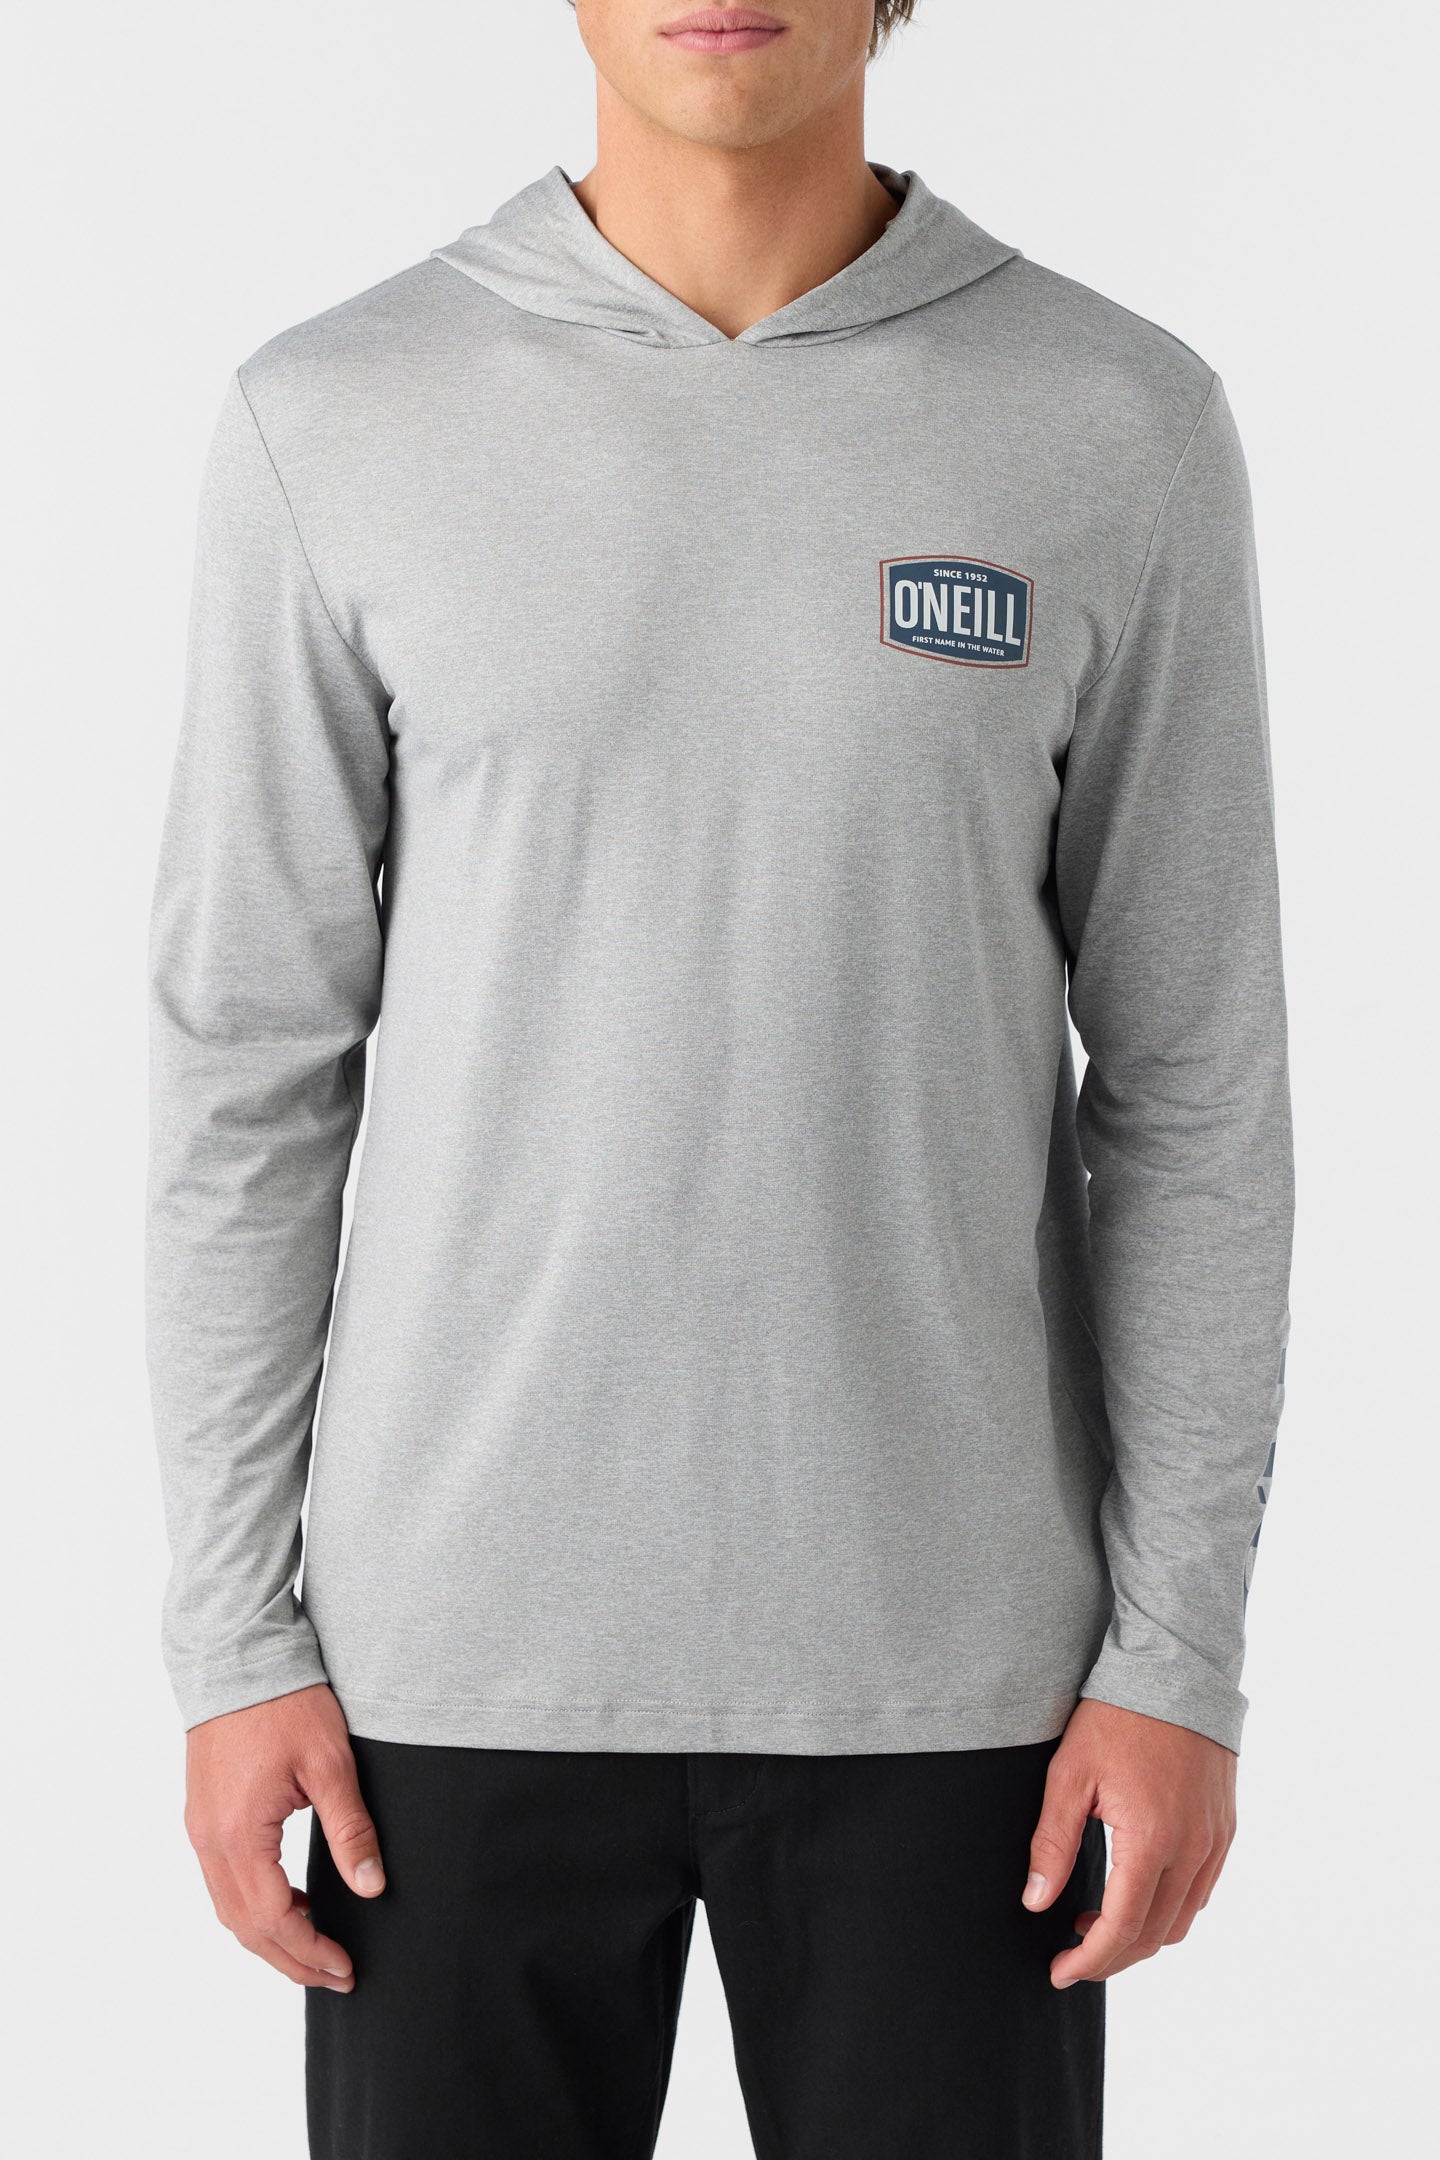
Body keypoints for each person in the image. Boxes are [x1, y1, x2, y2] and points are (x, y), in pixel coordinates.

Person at [146, 3, 1294, 2154]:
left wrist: (1176, 1657)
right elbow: (247, 1074)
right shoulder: (337, 418)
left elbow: (1196, 1088)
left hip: (962, 1689)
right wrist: (234, 1642)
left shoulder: (1114, 424)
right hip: (438, 1682)